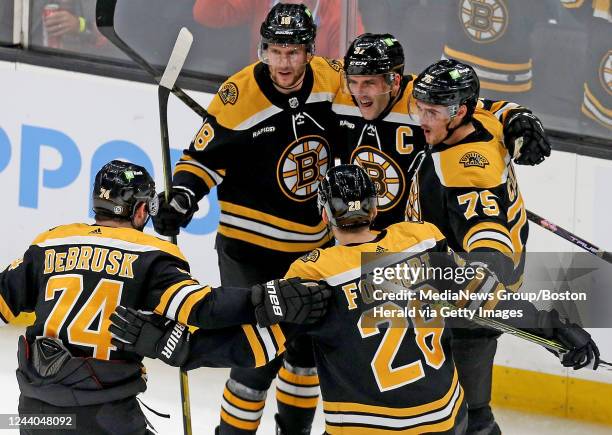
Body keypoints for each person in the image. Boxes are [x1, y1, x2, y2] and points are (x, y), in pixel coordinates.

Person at [111, 164, 600, 435]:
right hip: (443, 423)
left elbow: (252, 349)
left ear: (325, 211)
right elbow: (495, 304)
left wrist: (174, 345)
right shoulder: (422, 241)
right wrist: (558, 330)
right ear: (374, 207)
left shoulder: (314, 273)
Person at [0, 160, 329, 435]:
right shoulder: (150, 253)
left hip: (34, 413)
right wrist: (266, 298)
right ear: (142, 210)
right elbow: (203, 309)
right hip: (105, 416)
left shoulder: (50, 241)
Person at [334, 36, 550, 435]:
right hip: (454, 289)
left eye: (432, 112)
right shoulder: (479, 122)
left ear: (459, 111)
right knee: (448, 408)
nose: (422, 120)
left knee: (470, 415)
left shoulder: (465, 169)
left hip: (471, 299)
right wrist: (518, 114)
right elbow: (493, 108)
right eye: (421, 108)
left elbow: (489, 246)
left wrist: (479, 280)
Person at [152, 4, 345, 434]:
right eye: (275, 51)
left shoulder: (333, 80)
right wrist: (182, 197)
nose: (283, 62)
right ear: (263, 48)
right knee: (255, 359)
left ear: (309, 51)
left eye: (293, 52)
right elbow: (202, 159)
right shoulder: (238, 95)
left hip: (313, 251)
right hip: (249, 252)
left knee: (305, 355)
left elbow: (386, 95)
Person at [333, 33, 551, 230]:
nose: (359, 93)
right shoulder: (342, 97)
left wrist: (519, 118)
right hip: (365, 233)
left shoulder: (424, 99)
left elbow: (485, 107)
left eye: (369, 83)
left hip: (413, 238)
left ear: (395, 81)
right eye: (353, 82)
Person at [192, 0, 364, 61]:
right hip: (260, 99)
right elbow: (206, 13)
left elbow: (346, 75)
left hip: (308, 108)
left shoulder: (340, 12)